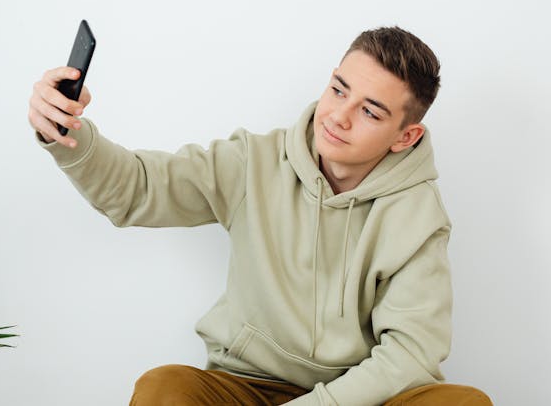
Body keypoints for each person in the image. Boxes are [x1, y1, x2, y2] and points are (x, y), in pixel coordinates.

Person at [28, 27, 492, 405]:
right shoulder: (255, 161)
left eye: (369, 112)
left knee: (463, 403)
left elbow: (412, 352)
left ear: (405, 137)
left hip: (358, 398)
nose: (338, 116)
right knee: (163, 388)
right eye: (338, 89)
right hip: (247, 388)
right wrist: (68, 135)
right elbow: (138, 188)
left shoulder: (418, 215)